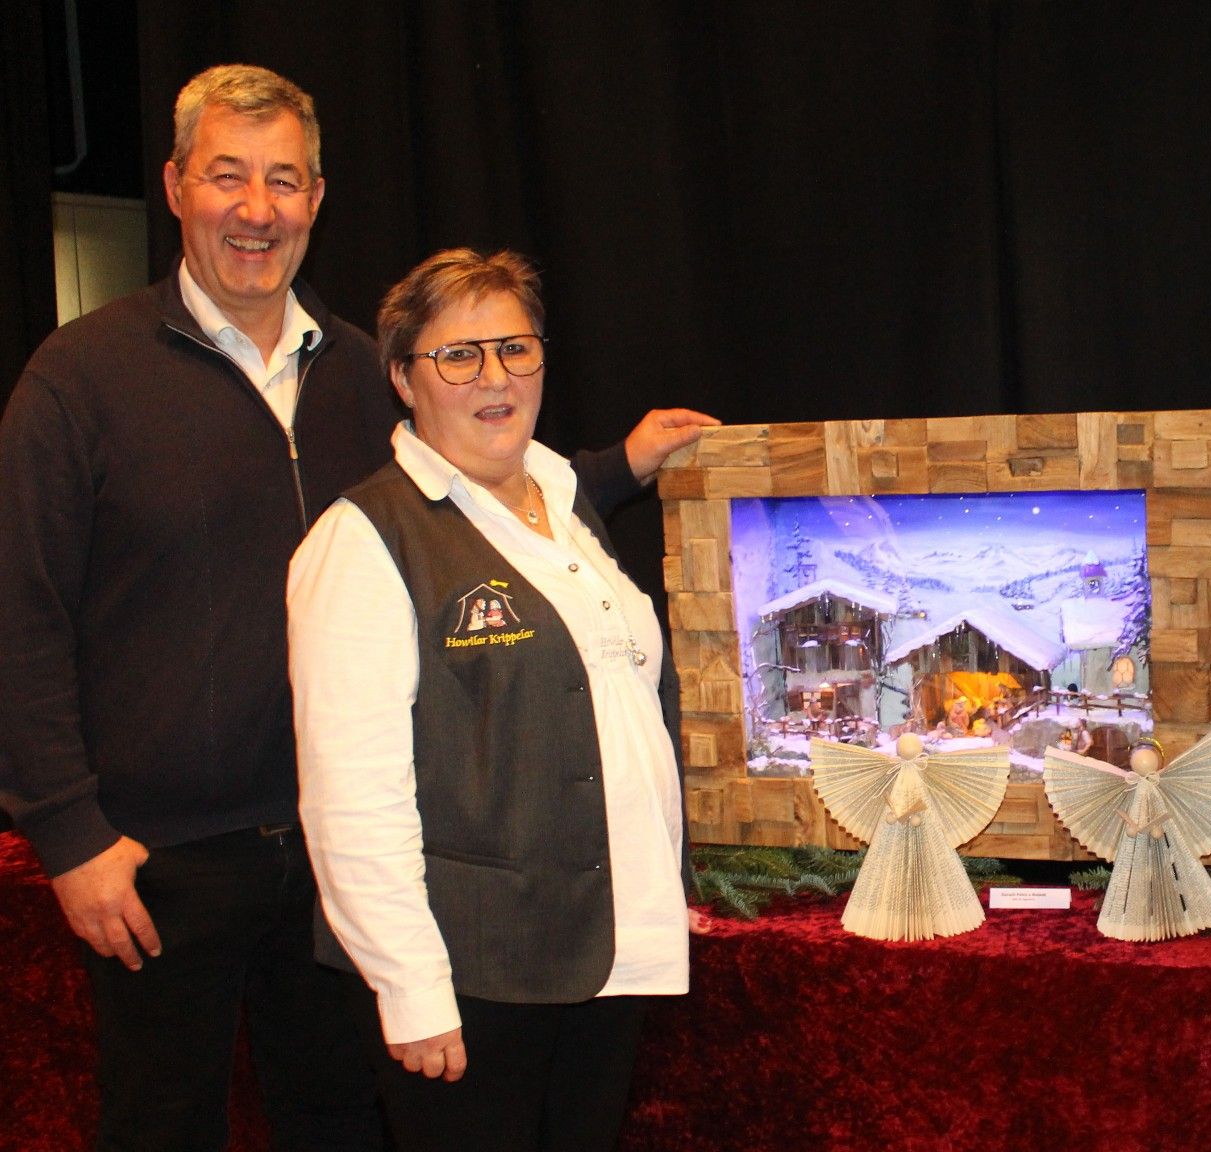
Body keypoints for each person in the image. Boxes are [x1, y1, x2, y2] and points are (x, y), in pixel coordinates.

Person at [0, 64, 712, 1150]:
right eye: (228, 176)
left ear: (318, 198)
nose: (257, 208)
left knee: (340, 1125)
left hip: (354, 856)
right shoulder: (80, 377)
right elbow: (21, 612)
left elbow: (486, 492)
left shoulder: (361, 372)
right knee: (161, 1127)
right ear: (176, 184)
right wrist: (67, 830)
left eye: (284, 180)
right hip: (163, 859)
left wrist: (619, 466)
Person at [288, 248, 699, 1151]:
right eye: (458, 355)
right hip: (474, 981)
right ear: (404, 378)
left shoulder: (563, 501)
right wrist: (410, 988)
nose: (494, 377)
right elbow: (352, 797)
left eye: (515, 348)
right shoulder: (361, 542)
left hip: (606, 956)